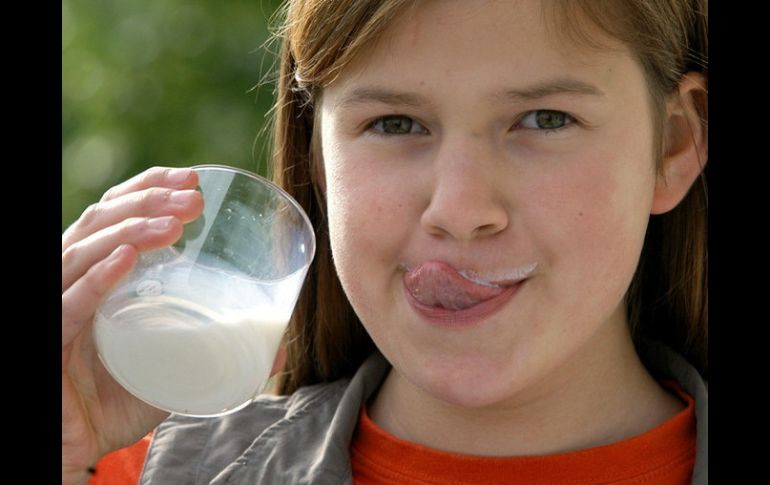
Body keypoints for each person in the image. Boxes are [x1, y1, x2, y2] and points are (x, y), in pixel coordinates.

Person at [61, 0, 708, 483]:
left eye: (545, 119)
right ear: (317, 156)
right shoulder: (133, 469)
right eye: (394, 122)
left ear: (674, 144)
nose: (459, 209)